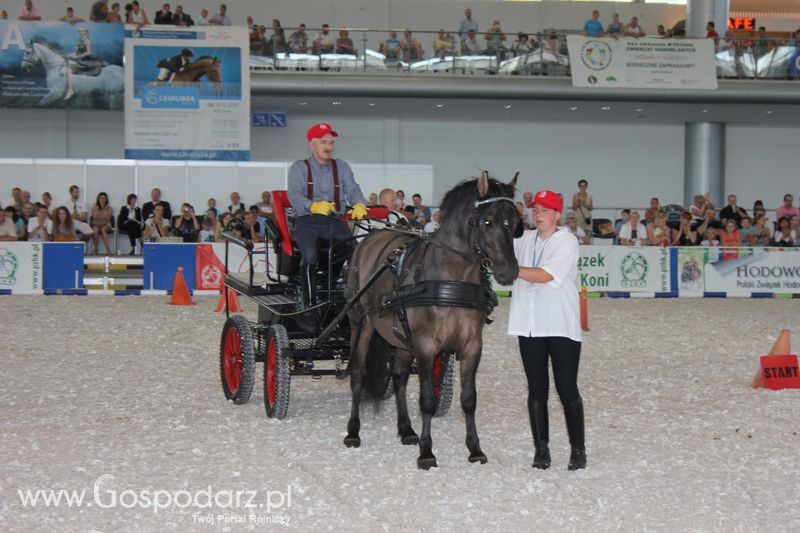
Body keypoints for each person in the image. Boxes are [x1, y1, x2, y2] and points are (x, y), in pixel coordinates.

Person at [508, 190, 585, 471]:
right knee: (536, 389)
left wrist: (511, 268)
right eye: (535, 209)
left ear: (557, 215)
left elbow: (545, 275)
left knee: (567, 389)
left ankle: (578, 449)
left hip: (560, 326)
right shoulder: (525, 239)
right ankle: (541, 448)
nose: (538, 215)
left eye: (544, 210)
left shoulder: (566, 241)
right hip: (528, 327)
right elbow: (499, 247)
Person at [287, 123, 368, 310]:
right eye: (324, 142)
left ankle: (336, 289)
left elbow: (353, 189)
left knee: (355, 252)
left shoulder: (341, 167)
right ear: (312, 145)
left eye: (331, 143)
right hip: (307, 221)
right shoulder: (299, 168)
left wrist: (360, 204)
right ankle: (309, 304)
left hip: (334, 221)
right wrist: (312, 206)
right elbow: (294, 195)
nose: (328, 147)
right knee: (310, 255)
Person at [65, 26, 102, 101]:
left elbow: (88, 53)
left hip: (85, 61)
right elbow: (75, 52)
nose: (81, 32)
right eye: (80, 31)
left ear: (86, 32)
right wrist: (70, 55)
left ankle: (70, 91)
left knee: (69, 71)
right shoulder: (79, 40)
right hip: (79, 59)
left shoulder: (87, 41)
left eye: (82, 31)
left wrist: (77, 57)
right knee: (66, 62)